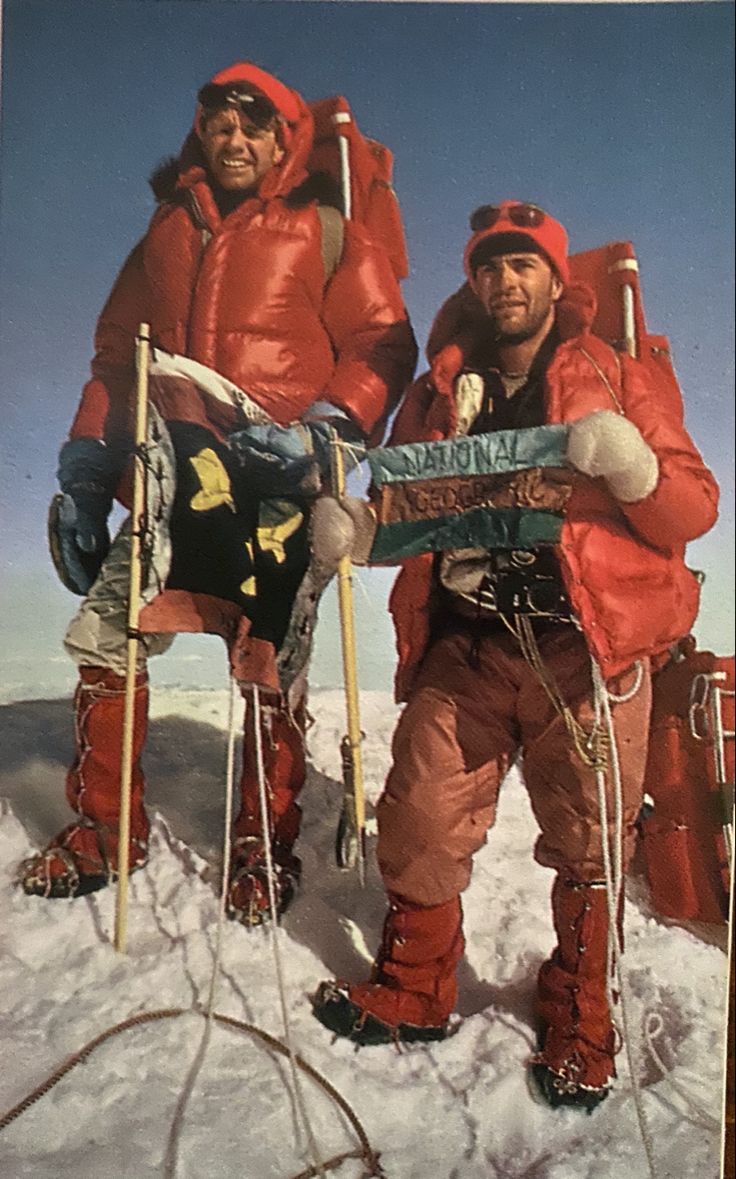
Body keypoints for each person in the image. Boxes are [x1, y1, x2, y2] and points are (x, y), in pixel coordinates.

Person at [310, 201, 718, 1109]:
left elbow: (693, 504)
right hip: (468, 640)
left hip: (584, 647)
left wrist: (633, 468)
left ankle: (581, 1017)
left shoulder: (615, 372)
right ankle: (415, 988)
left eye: (524, 264)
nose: (505, 281)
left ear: (555, 279)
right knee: (417, 812)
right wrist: (358, 529)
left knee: (589, 839)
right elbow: (410, 506)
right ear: (474, 281)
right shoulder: (437, 390)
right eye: (489, 266)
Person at [19, 62, 417, 923]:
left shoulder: (327, 230)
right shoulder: (165, 232)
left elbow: (384, 343)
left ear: (284, 141)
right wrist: (89, 468)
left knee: (272, 667)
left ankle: (260, 845)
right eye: (218, 124)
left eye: (254, 126)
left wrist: (330, 423)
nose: (234, 140)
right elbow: (117, 354)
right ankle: (104, 829)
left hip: (282, 480)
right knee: (107, 635)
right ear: (201, 133)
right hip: (175, 476)